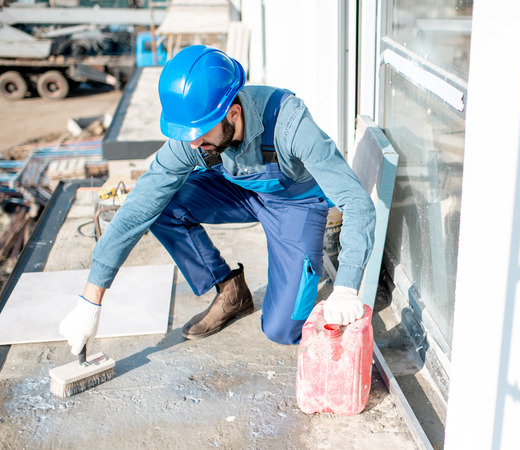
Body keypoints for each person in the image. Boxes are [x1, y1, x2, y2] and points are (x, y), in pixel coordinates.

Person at [57, 45, 375, 355]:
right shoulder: (194, 137)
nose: (193, 142)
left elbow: (357, 202)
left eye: (200, 132)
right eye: (187, 133)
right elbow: (140, 204)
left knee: (282, 330)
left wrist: (346, 286)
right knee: (162, 204)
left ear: (233, 113)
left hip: (293, 204)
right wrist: (90, 300)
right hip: (237, 191)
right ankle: (230, 290)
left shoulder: (290, 124)